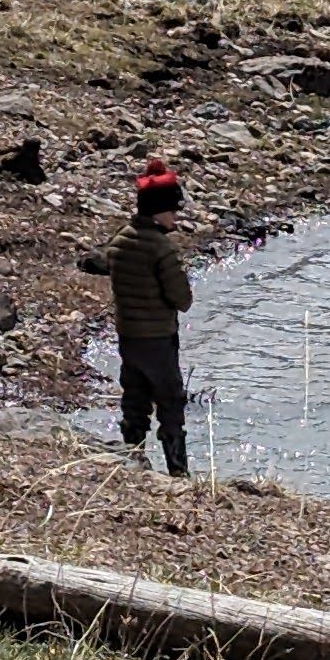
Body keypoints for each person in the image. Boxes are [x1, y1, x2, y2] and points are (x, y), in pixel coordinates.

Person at [98, 163, 195, 475]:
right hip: (158, 339)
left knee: (135, 401)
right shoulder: (161, 248)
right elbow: (183, 300)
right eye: (172, 211)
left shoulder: (120, 241)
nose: (176, 218)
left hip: (128, 337)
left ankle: (132, 462)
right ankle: (178, 472)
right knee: (170, 404)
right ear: (157, 212)